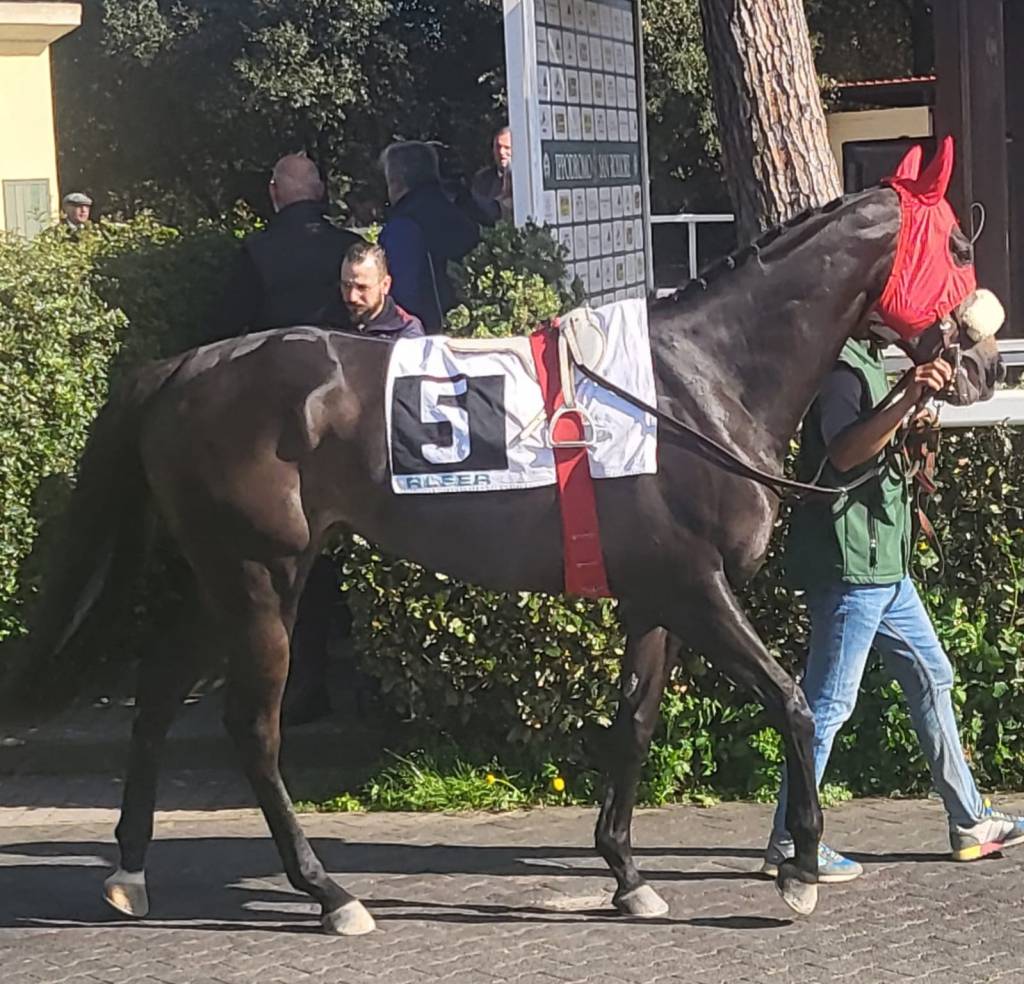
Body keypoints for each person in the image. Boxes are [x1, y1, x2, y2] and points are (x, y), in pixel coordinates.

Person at [762, 331, 1024, 883]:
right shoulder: (840, 369)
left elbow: (872, 442)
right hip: (853, 567)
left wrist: (907, 425)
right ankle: (790, 839)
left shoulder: (868, 361)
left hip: (885, 568)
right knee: (827, 705)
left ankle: (970, 821)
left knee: (932, 674)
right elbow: (842, 450)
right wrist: (905, 398)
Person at [211, 153, 363, 339]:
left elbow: (228, 325)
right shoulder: (353, 247)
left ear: (273, 191)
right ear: (321, 190)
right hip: (347, 358)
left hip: (273, 363)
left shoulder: (255, 251)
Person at [378, 141, 480, 333]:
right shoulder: (462, 215)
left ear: (396, 181)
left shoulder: (403, 226)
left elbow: (403, 295)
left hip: (423, 337)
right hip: (468, 329)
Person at [341, 242, 425, 339]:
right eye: (346, 286)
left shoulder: (405, 330)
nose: (352, 297)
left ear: (385, 285)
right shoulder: (327, 320)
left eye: (362, 287)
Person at [471, 126, 513, 225]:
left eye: (507, 148)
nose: (501, 152)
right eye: (498, 147)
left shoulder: (525, 180)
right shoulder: (482, 178)